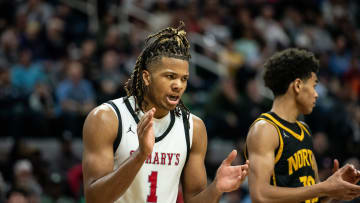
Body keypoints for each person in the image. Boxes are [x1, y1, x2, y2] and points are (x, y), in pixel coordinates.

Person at [82, 22, 249, 203]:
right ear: (146, 77)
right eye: (170, 76)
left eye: (184, 78)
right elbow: (94, 198)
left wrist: (216, 188)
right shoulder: (107, 118)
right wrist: (140, 156)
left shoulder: (193, 127)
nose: (178, 85)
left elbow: (194, 200)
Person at [245, 48, 360, 203]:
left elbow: (313, 198)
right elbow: (260, 195)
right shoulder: (265, 129)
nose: (316, 94)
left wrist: (333, 192)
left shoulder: (304, 130)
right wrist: (324, 187)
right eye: (313, 85)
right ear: (298, 85)